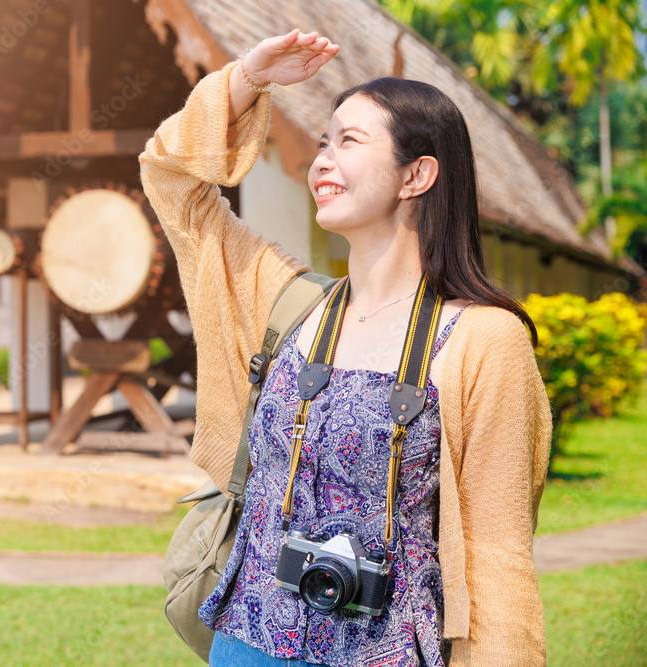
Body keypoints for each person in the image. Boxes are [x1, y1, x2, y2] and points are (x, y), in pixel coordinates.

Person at [139, 28, 552, 667]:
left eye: (349, 142)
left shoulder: (483, 339)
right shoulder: (285, 303)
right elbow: (171, 180)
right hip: (247, 642)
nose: (322, 160)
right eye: (322, 143)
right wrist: (246, 79)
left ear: (417, 174)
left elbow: (497, 555)